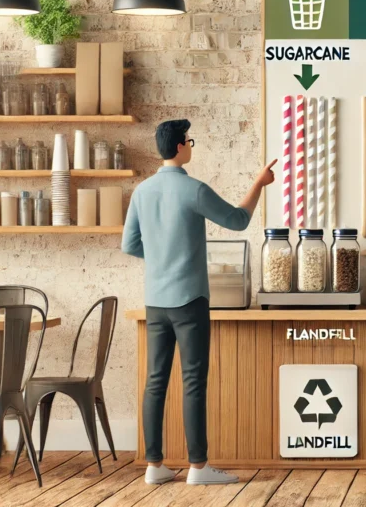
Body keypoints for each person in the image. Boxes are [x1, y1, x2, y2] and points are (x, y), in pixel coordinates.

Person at [122, 119, 276, 485]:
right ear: (180, 147)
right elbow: (238, 221)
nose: (190, 146)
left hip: (156, 301)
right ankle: (198, 467)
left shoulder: (141, 192)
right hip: (190, 300)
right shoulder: (193, 190)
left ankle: (154, 465)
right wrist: (259, 184)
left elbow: (129, 245)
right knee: (193, 381)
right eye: (189, 141)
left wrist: (161, 257)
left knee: (155, 381)